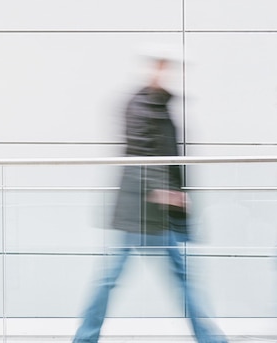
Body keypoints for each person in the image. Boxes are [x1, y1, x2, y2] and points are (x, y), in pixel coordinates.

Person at [72, 55, 227, 343]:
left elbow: (168, 157)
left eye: (165, 68)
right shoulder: (140, 105)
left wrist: (176, 194)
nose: (162, 73)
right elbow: (140, 154)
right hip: (141, 211)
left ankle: (84, 337)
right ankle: (210, 339)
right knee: (125, 278)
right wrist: (166, 192)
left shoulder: (161, 104)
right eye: (158, 67)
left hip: (154, 212)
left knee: (123, 278)